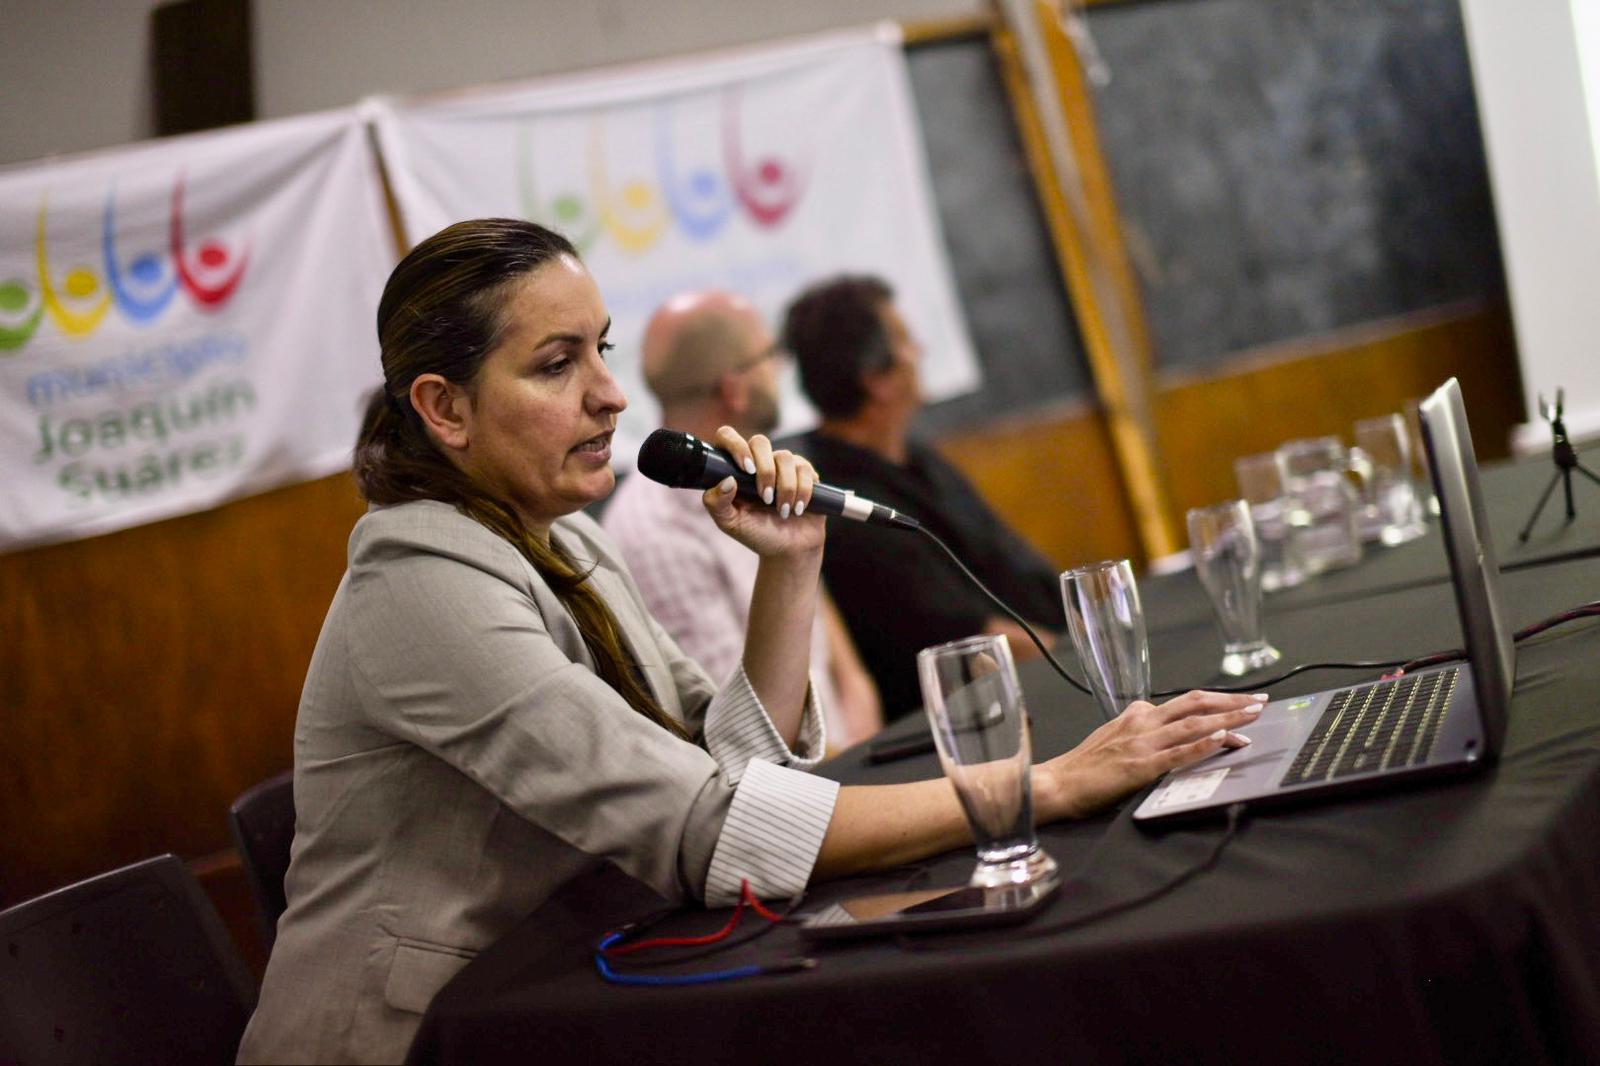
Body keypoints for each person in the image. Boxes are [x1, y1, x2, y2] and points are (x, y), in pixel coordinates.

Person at [236, 219, 1262, 1064]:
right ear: (443, 408)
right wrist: (1048, 783)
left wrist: (788, 563)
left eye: (600, 347)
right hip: (409, 1043)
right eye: (556, 364)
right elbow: (714, 830)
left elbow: (730, 762)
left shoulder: (562, 545)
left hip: (554, 1000)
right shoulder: (422, 587)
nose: (609, 393)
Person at [781, 275, 1068, 723]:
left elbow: (1011, 563)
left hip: (1045, 673)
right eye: (907, 342)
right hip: (985, 719)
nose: (922, 352)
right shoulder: (843, 505)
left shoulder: (916, 457)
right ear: (876, 379)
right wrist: (1076, 659)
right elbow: (978, 640)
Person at [603, 290, 883, 748]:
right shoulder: (653, 533)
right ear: (734, 389)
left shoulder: (762, 469)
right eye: (770, 356)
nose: (780, 369)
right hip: (797, 787)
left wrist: (863, 722)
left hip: (848, 752)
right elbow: (744, 727)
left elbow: (827, 632)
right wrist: (852, 767)